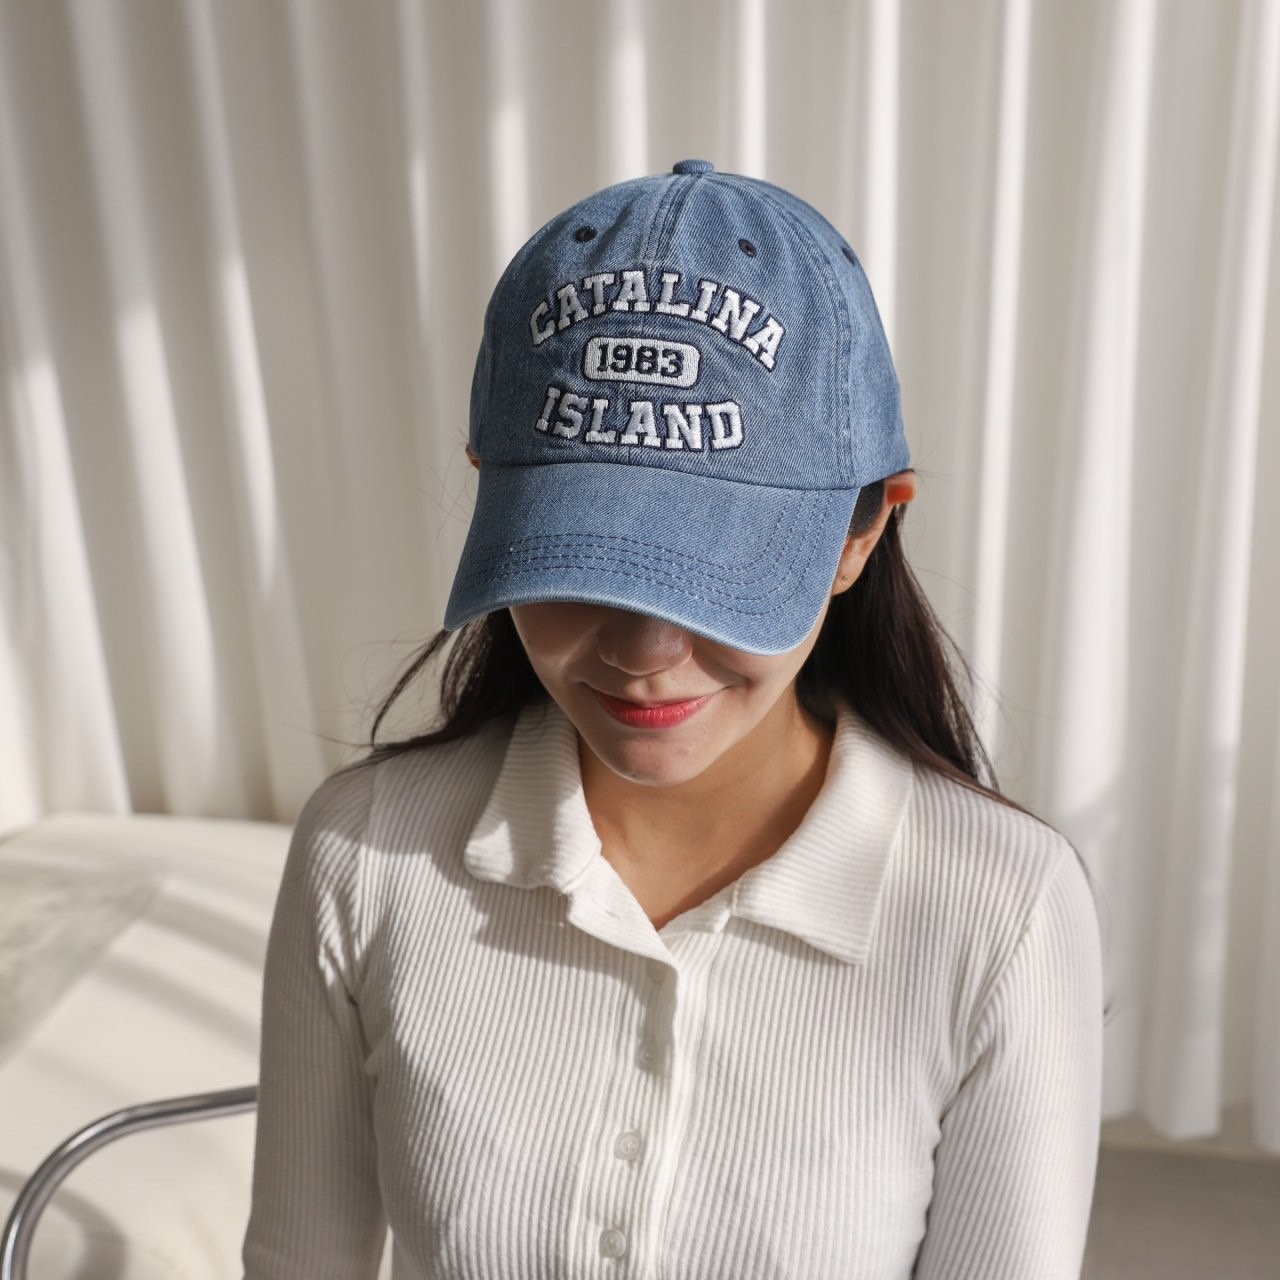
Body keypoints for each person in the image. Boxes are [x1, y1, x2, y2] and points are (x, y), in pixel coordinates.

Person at [242, 160, 1104, 1279]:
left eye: (715, 579)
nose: (643, 656)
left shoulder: (1003, 907)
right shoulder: (364, 853)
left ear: (861, 533)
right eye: (578, 562)